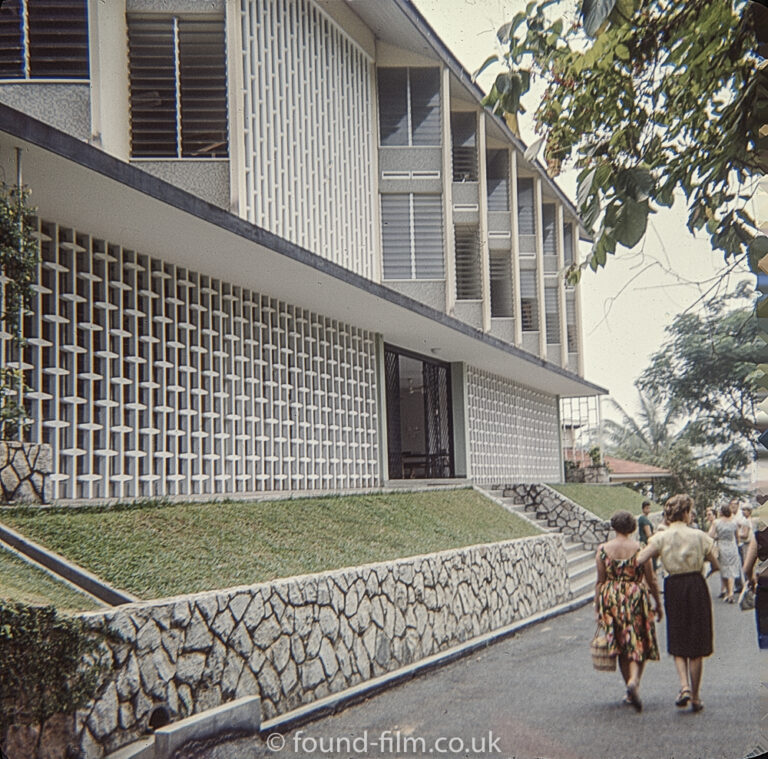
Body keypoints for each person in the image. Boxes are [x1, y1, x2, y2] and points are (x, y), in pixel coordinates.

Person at [637, 494, 719, 713]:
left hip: (673, 585)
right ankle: (696, 696)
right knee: (698, 641)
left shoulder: (661, 537)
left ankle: (683, 686)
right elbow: (716, 563)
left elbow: (640, 559)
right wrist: (706, 571)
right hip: (695, 583)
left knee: (678, 635)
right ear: (685, 513)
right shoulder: (699, 535)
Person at [594, 511, 662, 712]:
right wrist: (658, 603)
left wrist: (598, 607)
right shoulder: (640, 549)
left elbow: (600, 581)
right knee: (638, 640)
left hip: (611, 596)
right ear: (632, 527)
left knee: (622, 643)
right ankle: (634, 681)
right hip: (635, 595)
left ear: (614, 527)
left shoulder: (603, 550)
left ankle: (629, 688)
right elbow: (651, 579)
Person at [709, 503, 741, 603]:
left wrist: (718, 537)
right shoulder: (734, 522)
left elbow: (711, 535)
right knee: (731, 569)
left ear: (721, 512)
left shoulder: (716, 522)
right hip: (732, 546)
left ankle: (729, 592)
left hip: (722, 546)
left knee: (724, 569)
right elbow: (737, 537)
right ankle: (729, 592)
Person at [637, 500, 656, 570]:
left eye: (649, 508)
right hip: (646, 543)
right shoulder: (643, 519)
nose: (649, 510)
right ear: (643, 509)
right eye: (647, 508)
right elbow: (648, 534)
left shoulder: (645, 519)